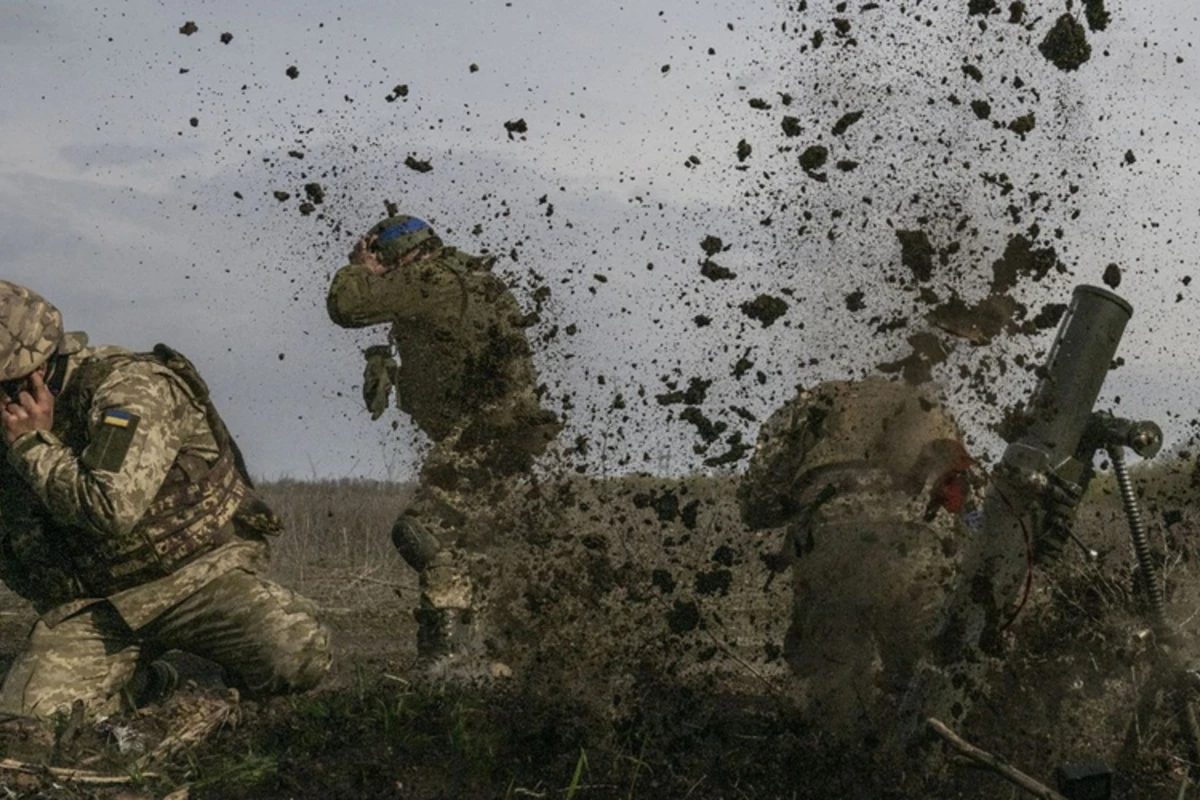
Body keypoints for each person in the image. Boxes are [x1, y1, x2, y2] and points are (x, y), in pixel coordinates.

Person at [0, 280, 331, 718]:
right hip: (99, 607)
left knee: (295, 655)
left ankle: (204, 679)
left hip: (196, 578)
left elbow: (112, 507)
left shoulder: (129, 389)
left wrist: (32, 445)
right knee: (29, 721)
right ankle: (150, 682)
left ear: (32, 374)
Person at [326, 214, 561, 665]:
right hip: (500, 435)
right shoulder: (466, 276)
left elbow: (348, 306)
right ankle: (492, 654)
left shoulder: (432, 278)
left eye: (384, 258)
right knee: (463, 543)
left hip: (491, 437)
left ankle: (452, 657)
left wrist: (359, 268)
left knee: (423, 531)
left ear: (399, 254)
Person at [737, 376, 981, 737]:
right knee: (931, 679)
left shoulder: (813, 403)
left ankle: (840, 762)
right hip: (919, 544)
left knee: (831, 686)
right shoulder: (929, 406)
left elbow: (756, 501)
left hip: (830, 539)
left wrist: (796, 506)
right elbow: (972, 510)